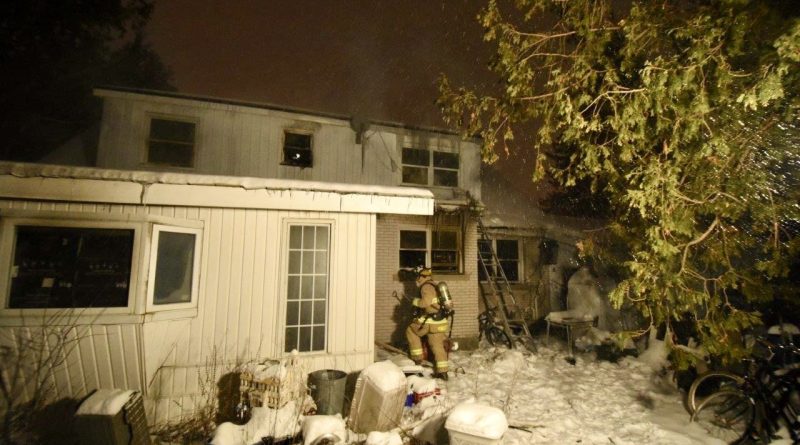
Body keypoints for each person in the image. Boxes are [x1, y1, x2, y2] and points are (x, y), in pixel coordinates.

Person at [405, 267, 449, 380]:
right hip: (440, 322)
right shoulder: (434, 285)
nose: (417, 279)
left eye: (418, 277)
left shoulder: (426, 287)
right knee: (438, 347)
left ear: (422, 276)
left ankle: (417, 358)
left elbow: (426, 302)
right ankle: (443, 372)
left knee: (411, 330)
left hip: (430, 322)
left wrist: (415, 302)